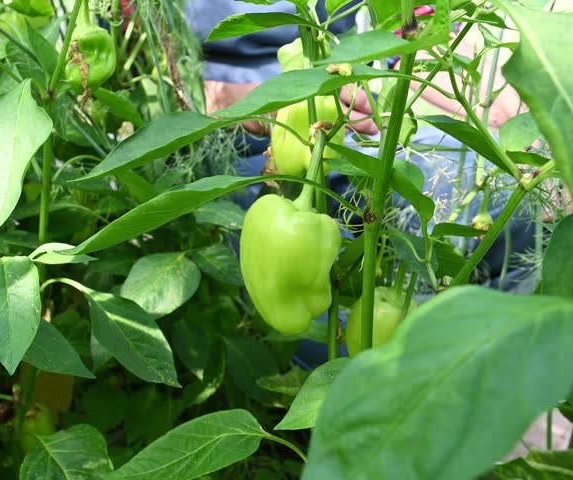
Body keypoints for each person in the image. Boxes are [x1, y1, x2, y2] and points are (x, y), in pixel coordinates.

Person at [187, 1, 540, 364]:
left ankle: (469, 371)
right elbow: (147, 58)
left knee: (517, 212)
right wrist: (256, 99)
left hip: (350, 112)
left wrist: (498, 97)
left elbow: (414, 20)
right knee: (338, 343)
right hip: (236, 130)